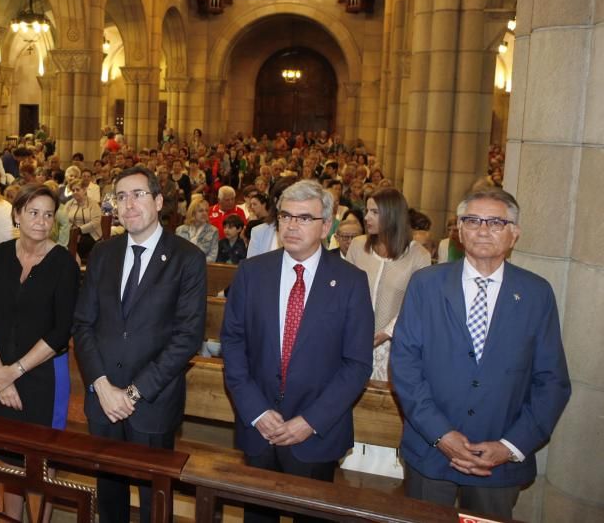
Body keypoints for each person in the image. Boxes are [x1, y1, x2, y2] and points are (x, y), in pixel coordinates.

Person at [391, 188, 571, 520]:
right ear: (459, 231)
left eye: (496, 222)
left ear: (514, 234)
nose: (483, 229)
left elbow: (552, 381)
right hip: (431, 453)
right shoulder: (426, 284)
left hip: (497, 464)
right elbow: (405, 366)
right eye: (472, 220)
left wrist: (511, 446)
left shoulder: (536, 293)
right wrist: (441, 434)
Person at [221, 180, 374, 523]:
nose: (291, 225)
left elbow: (357, 364)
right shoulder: (252, 272)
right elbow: (233, 343)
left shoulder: (350, 281)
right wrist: (257, 411)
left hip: (315, 434)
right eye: (286, 216)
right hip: (259, 427)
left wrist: (310, 421)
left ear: (326, 224)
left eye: (304, 218)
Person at [73, 166, 206, 523]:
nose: (128, 204)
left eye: (138, 194)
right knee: (110, 494)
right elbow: (83, 324)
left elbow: (187, 338)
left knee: (154, 499)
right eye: (120, 196)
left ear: (159, 201)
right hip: (102, 398)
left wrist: (132, 394)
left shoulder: (187, 258)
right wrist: (102, 386)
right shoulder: (103, 253)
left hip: (151, 401)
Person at [0, 184, 79, 521]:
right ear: (17, 214)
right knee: (9, 457)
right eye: (33, 212)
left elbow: (61, 332)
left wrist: (13, 372)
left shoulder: (64, 264)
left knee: (43, 458)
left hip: (43, 374)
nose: (41, 221)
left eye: (48, 214)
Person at [341, 188, 431, 477]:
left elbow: (418, 305)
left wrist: (385, 333)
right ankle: (353, 455)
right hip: (354, 338)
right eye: (367, 210)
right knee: (354, 397)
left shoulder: (418, 255)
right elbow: (345, 293)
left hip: (396, 344)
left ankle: (389, 463)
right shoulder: (357, 246)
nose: (366, 217)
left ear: (392, 215)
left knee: (389, 403)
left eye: (374, 212)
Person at [64, 179, 102, 261]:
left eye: (77, 190)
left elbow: (95, 222)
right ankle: (72, 263)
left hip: (91, 234)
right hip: (72, 233)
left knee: (79, 243)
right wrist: (73, 231)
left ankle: (74, 263)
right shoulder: (69, 204)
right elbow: (64, 220)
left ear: (84, 190)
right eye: (73, 190)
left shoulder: (93, 204)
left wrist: (79, 230)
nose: (75, 192)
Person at [175, 195, 219, 262]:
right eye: (201, 211)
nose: (204, 213)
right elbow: (176, 254)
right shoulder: (180, 230)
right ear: (193, 213)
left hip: (202, 268)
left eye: (206, 211)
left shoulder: (213, 231)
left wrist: (195, 264)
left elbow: (212, 257)